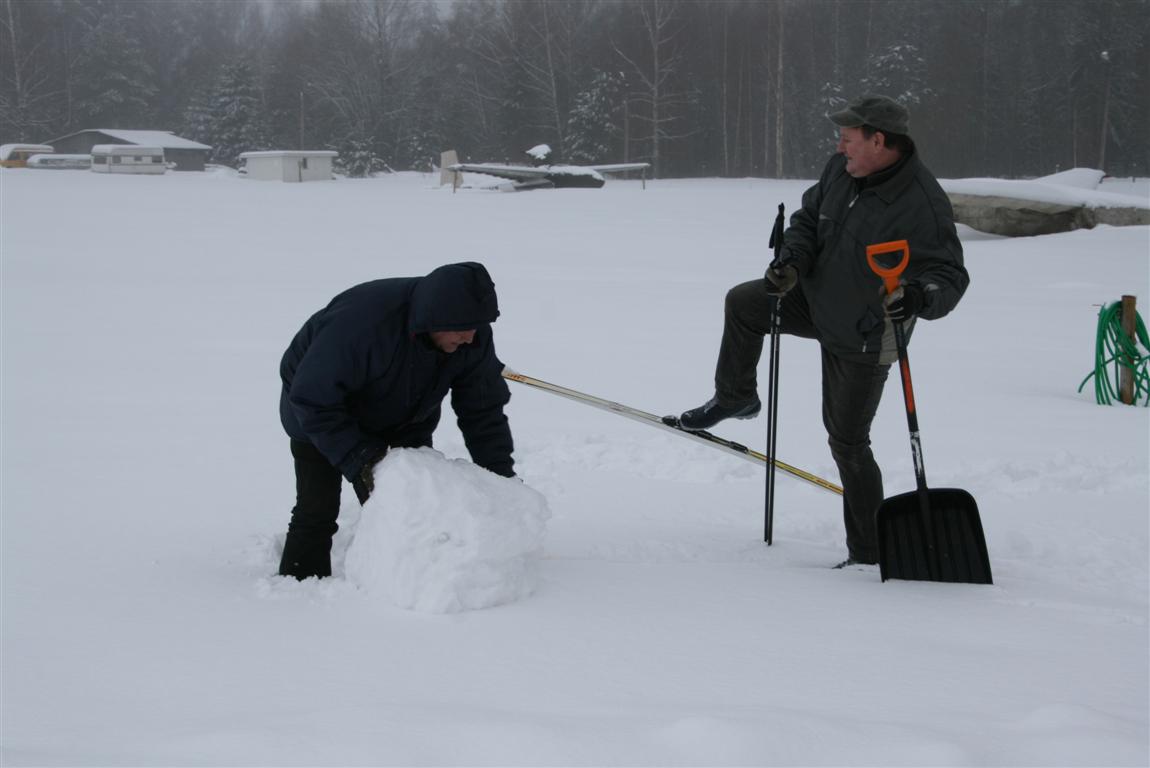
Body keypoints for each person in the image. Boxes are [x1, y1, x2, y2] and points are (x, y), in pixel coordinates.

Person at [677, 94, 968, 567]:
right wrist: (792, 262)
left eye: (848, 139)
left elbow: (950, 276)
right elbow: (808, 219)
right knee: (746, 302)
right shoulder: (841, 170)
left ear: (879, 140)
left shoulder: (922, 203)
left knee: (848, 442)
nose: (840, 146)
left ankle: (870, 552)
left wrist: (919, 295)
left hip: (867, 330)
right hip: (815, 298)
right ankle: (735, 397)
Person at [277, 261, 515, 579]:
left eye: (477, 326)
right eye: (462, 328)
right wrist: (359, 458)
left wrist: (499, 478)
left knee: (415, 499)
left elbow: (482, 411)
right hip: (320, 415)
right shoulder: (362, 324)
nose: (471, 338)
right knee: (317, 508)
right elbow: (312, 396)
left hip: (407, 411)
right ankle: (299, 583)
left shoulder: (471, 335)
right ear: (437, 317)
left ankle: (412, 582)